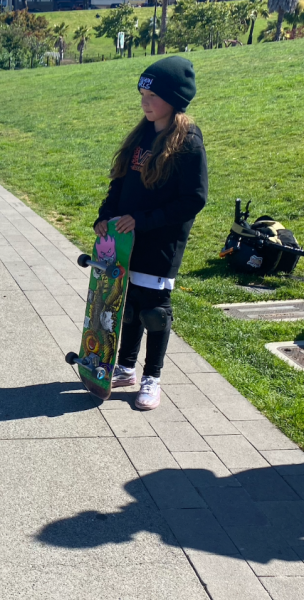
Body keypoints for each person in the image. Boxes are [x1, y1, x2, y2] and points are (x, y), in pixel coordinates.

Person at [93, 56, 207, 410]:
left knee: (154, 311)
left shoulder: (187, 141)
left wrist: (144, 220)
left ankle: (151, 378)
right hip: (128, 240)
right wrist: (105, 216)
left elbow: (193, 200)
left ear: (174, 99)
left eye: (153, 96)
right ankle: (126, 366)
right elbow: (120, 184)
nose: (145, 102)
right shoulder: (141, 135)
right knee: (128, 305)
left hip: (160, 242)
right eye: (142, 94)